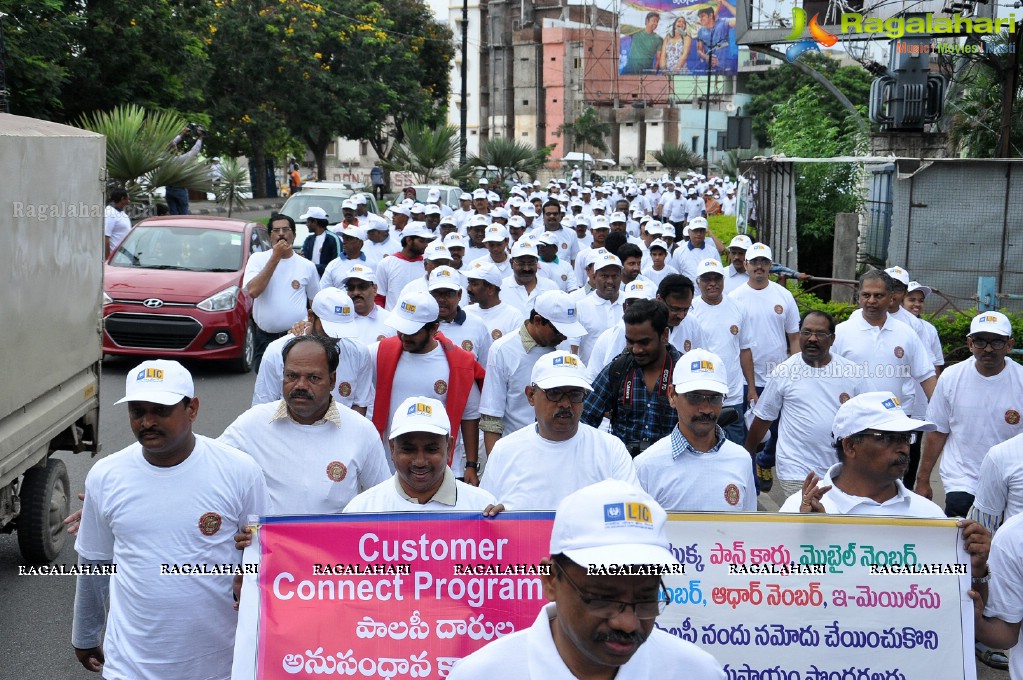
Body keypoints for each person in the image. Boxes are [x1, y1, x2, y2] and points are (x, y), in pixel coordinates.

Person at [72, 360, 269, 679]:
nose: (147, 421)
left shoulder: (240, 472)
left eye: (160, 410)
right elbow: (95, 562)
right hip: (130, 666)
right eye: (137, 411)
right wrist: (84, 634)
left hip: (219, 664)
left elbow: (264, 553)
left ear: (192, 409)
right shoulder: (106, 476)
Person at [448, 479, 725, 679]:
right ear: (551, 580)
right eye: (603, 598)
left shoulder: (696, 672)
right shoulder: (482, 674)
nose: (627, 623)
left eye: (645, 598)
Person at [221, 335, 390, 514]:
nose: (301, 385)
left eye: (313, 378)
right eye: (292, 376)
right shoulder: (252, 424)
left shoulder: (361, 431)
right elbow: (213, 475)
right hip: (268, 541)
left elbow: (384, 501)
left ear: (332, 381)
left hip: (333, 541)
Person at [481, 351, 638, 510]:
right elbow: (484, 514)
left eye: (575, 394)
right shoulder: (505, 450)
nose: (565, 404)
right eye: (554, 393)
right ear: (531, 395)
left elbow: (633, 512)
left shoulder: (610, 450)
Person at [745, 310, 874, 497]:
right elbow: (764, 417)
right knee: (804, 522)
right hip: (795, 469)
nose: (812, 338)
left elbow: (871, 415)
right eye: (806, 332)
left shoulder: (853, 373)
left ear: (832, 339)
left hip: (839, 470)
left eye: (820, 334)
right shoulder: (784, 371)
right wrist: (746, 455)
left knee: (830, 523)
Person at [915, 311, 1023, 516]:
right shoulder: (951, 378)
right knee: (961, 542)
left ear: (1009, 345)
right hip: (962, 480)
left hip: (1010, 479)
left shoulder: (1021, 380)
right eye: (981, 341)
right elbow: (937, 432)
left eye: (997, 342)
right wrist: (922, 480)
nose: (988, 349)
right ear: (970, 344)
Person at [371, 291, 485, 482]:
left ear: (434, 329)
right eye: (401, 329)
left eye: (412, 331)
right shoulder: (379, 353)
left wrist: (471, 465)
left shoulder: (459, 364)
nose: (404, 336)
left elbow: (470, 416)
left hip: (443, 467)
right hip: (388, 467)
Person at [634, 348, 757, 511]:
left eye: (714, 398)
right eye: (695, 397)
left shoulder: (741, 460)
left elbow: (748, 530)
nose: (706, 409)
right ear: (672, 396)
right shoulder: (646, 465)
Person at [343, 396, 500, 512]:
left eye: (431, 450)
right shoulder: (362, 511)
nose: (419, 461)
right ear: (392, 448)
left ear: (449, 448)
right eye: (408, 449)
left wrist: (503, 526)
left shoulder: (482, 508)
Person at [479, 292, 587, 455]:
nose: (564, 337)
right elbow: (492, 417)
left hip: (561, 449)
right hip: (517, 451)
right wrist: (495, 465)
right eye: (558, 331)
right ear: (537, 320)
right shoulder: (503, 350)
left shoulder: (562, 348)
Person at [832, 269, 936, 423]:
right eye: (866, 295)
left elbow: (926, 375)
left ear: (890, 296)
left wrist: (942, 414)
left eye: (878, 295)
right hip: (852, 419)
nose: (872, 300)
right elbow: (825, 376)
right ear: (859, 296)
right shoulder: (841, 332)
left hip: (894, 419)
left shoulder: (907, 333)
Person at [582, 299, 683, 456]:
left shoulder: (684, 371)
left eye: (644, 342)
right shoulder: (617, 370)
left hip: (670, 470)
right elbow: (585, 419)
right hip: (624, 469)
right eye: (630, 341)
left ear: (664, 335)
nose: (636, 350)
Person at [251, 288, 372, 414]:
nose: (334, 337)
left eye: (342, 330)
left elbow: (360, 404)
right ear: (311, 316)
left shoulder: (359, 353)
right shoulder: (276, 352)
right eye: (328, 329)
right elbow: (262, 406)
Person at [689, 258, 756, 444]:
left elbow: (745, 350)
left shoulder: (738, 308)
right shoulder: (691, 310)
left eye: (717, 278)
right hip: (701, 395)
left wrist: (751, 388)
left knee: (734, 446)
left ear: (723, 280)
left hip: (732, 395)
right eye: (706, 279)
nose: (712, 283)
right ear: (698, 282)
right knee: (702, 445)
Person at [244, 213, 320, 370]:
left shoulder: (307, 266)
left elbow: (315, 304)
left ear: (294, 234)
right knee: (267, 386)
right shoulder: (257, 259)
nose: (281, 234)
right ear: (269, 236)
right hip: (265, 338)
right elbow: (253, 291)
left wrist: (313, 331)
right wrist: (275, 257)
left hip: (297, 337)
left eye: (286, 229)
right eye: (276, 230)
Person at [429, 266, 492, 365]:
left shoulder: (477, 325)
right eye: (436, 294)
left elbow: (485, 367)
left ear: (459, 295)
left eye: (448, 294)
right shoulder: (419, 325)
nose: (441, 299)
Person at [574, 251, 625, 364]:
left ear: (621, 277)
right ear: (594, 276)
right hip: (591, 377)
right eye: (604, 276)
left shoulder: (630, 303)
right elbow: (574, 346)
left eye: (615, 276)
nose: (610, 281)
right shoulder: (581, 306)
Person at [375, 222, 434, 310]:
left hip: (421, 320)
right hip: (392, 320)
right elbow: (379, 296)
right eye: (421, 241)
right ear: (409, 240)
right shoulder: (386, 263)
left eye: (427, 241)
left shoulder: (428, 265)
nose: (426, 245)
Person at [464, 262, 527, 341]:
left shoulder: (514, 317)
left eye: (474, 284)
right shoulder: (466, 312)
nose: (468, 289)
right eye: (469, 283)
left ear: (491, 290)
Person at [500, 240, 559, 311]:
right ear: (511, 263)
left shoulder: (551, 287)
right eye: (521, 263)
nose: (526, 268)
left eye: (531, 263)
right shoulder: (500, 288)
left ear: (537, 262)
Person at [165, 126, 204, 215]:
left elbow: (170, 145)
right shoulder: (180, 159)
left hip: (169, 190)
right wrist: (200, 137)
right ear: (175, 149)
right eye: (175, 147)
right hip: (179, 189)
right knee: (183, 215)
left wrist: (182, 135)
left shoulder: (164, 159)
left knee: (173, 214)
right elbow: (195, 150)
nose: (176, 147)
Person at [299, 207, 342, 277]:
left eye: (308, 221)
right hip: (310, 279)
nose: (306, 224)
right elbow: (303, 259)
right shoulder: (309, 239)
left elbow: (337, 264)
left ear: (315, 222)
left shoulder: (333, 239)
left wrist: (314, 267)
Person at [695, 0, 735, 70]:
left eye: (702, 16)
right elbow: (699, 50)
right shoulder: (701, 31)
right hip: (708, 69)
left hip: (725, 68)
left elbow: (741, 20)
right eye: (699, 17)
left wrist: (726, 4)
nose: (700, 19)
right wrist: (706, 57)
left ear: (710, 15)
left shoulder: (723, 23)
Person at [104, 188, 131, 257]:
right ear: (122, 199)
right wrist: (108, 259)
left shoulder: (121, 213)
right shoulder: (110, 212)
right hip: (115, 257)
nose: (129, 200)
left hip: (124, 256)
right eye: (128, 198)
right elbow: (105, 238)